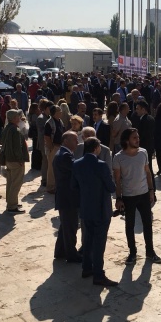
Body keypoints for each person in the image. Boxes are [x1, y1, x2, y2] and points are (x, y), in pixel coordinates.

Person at [72, 137, 118, 287]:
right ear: (96, 148)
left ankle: (86, 268)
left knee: (88, 239)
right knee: (99, 243)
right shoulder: (101, 165)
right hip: (101, 209)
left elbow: (74, 186)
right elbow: (111, 187)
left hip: (86, 208)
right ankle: (98, 274)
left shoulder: (76, 164)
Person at [113, 128, 161, 266]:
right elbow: (117, 180)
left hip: (144, 194)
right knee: (130, 225)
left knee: (147, 224)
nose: (138, 140)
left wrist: (151, 191)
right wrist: (118, 198)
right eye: (134, 137)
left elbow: (148, 173)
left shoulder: (143, 152)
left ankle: (150, 251)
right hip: (128, 196)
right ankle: (132, 253)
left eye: (138, 137)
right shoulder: (118, 157)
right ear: (126, 140)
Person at [53, 131, 82, 263]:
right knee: (70, 227)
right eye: (75, 140)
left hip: (65, 197)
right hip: (68, 198)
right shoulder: (65, 155)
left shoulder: (63, 153)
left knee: (65, 226)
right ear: (65, 141)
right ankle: (71, 254)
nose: (77, 142)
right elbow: (76, 169)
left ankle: (60, 251)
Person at [1, 109, 28, 212]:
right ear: (13, 118)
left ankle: (11, 202)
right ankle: (12, 205)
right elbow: (17, 147)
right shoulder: (15, 130)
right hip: (15, 160)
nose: (19, 118)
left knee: (10, 182)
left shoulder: (6, 128)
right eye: (17, 116)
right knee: (16, 183)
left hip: (8, 159)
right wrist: (20, 160)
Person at [44, 105, 65, 193]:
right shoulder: (49, 123)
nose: (61, 112)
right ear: (55, 113)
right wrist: (51, 148)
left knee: (58, 167)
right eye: (59, 111)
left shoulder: (60, 121)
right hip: (53, 147)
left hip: (60, 146)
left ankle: (57, 185)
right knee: (51, 168)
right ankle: (50, 187)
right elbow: (47, 137)